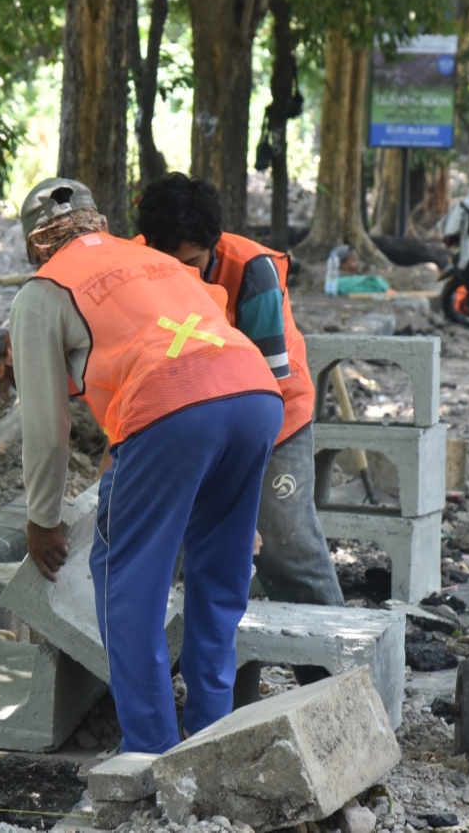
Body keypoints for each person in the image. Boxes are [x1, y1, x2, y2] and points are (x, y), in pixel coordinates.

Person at [9, 177, 283, 755]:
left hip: (174, 408)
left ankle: (152, 753)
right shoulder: (150, 260)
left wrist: (43, 516)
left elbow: (44, 423)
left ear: (34, 242)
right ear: (99, 221)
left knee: (125, 580)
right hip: (255, 395)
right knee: (219, 577)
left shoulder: (43, 290)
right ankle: (213, 737)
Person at [134, 172, 346, 687]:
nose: (180, 277)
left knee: (283, 543)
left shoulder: (253, 273)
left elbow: (265, 396)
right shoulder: (138, 264)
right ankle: (227, 691)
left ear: (213, 246)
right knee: (194, 550)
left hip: (272, 417)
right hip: (194, 417)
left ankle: (335, 684)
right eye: (168, 264)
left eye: (191, 264)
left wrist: (240, 498)